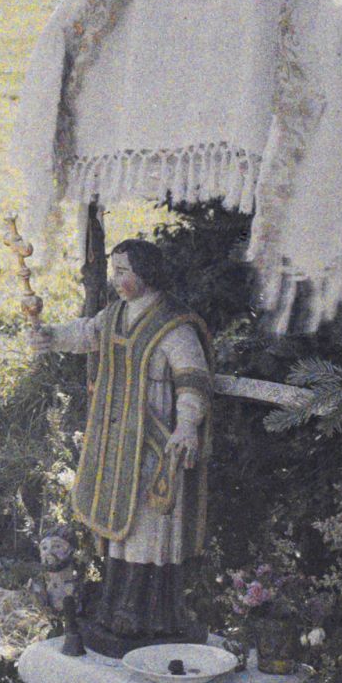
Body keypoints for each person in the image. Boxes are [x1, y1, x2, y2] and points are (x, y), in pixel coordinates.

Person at [29, 238, 213, 648]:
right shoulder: (115, 316)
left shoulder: (174, 325)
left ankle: (154, 618)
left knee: (150, 529)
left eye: (123, 272)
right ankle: (115, 609)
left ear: (146, 273)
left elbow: (193, 380)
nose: (116, 281)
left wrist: (186, 426)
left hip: (156, 445)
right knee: (120, 532)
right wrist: (51, 336)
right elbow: (86, 333)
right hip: (117, 444)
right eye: (113, 271)